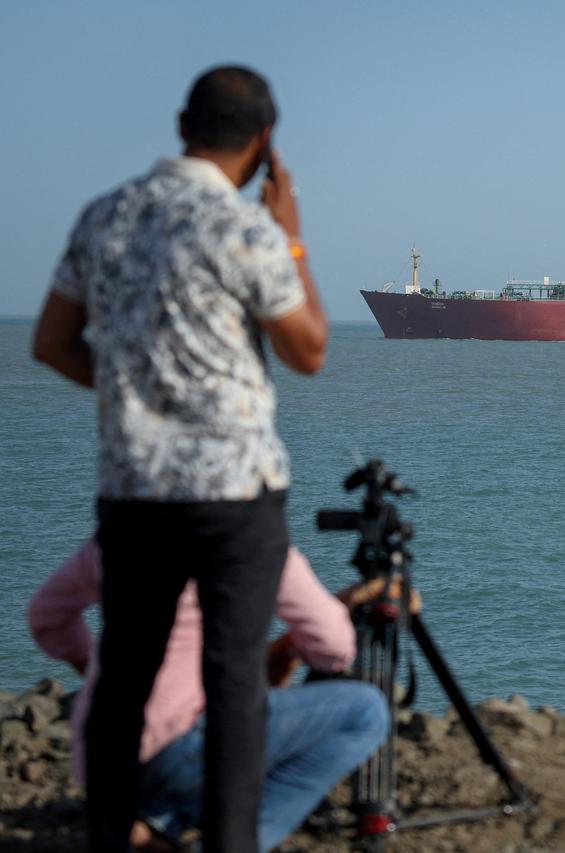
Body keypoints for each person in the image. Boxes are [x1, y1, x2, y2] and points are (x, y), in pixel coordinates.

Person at [30, 65, 328, 852]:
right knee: (235, 686)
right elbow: (309, 350)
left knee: (124, 678)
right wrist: (291, 232)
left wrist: (132, 395)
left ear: (179, 124)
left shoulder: (106, 215)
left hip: (133, 490)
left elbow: (51, 341)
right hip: (234, 495)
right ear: (265, 143)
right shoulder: (247, 229)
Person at [29, 539, 389, 851]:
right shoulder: (255, 537)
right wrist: (340, 609)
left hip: (104, 756)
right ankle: (235, 841)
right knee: (366, 711)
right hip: (177, 748)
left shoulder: (119, 533)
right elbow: (334, 648)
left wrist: (102, 673)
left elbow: (46, 616)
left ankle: (153, 820)